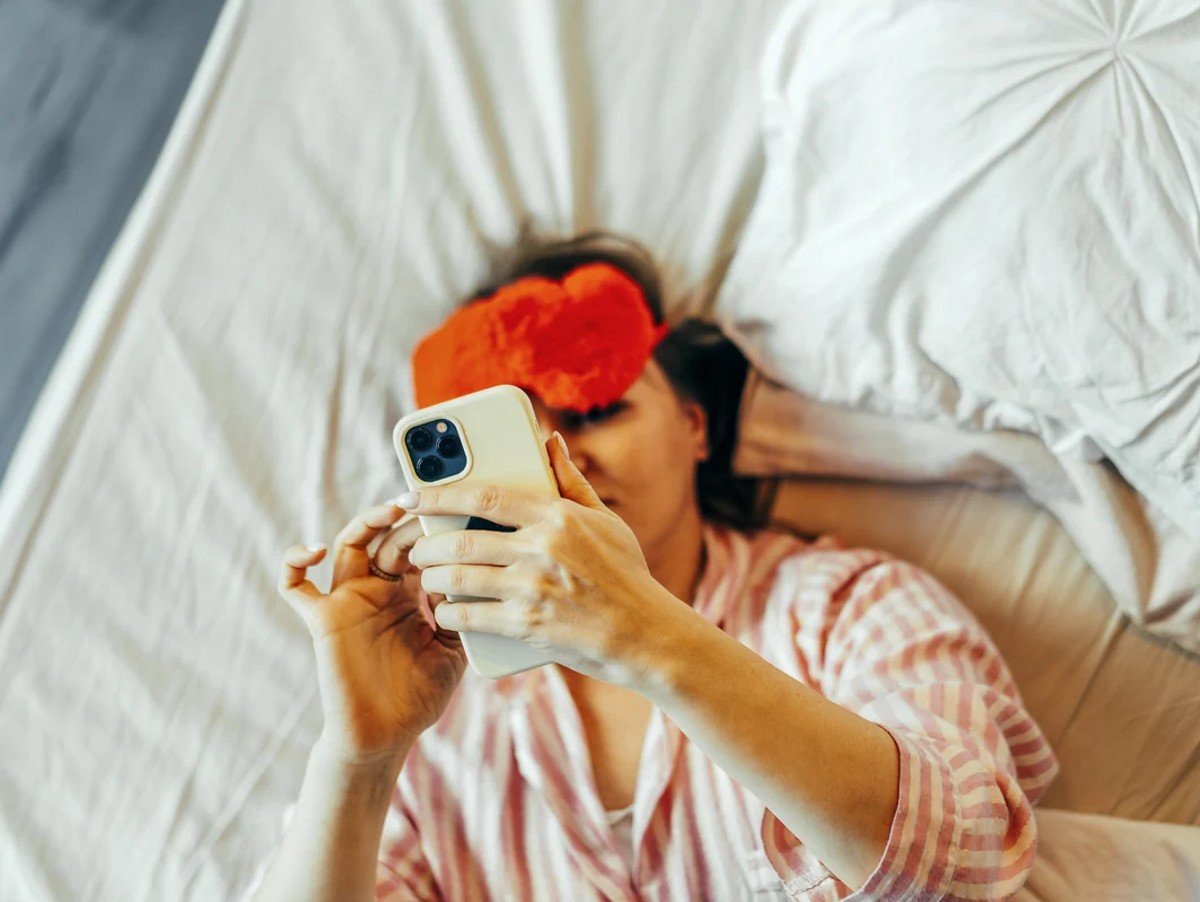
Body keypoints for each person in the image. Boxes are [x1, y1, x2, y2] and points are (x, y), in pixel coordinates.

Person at [251, 231, 1057, 901]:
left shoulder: (851, 607)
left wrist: (645, 635)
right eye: (520, 429)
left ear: (695, 426)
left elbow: (971, 864)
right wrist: (357, 760)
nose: (559, 454)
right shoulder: (437, 741)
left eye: (600, 408)